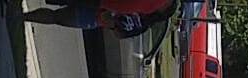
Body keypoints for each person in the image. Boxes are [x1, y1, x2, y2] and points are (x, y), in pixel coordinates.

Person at [19, 1, 167, 35]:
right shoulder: (142, 24)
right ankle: (23, 17)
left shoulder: (141, 18)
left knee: (57, 17)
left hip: (96, 13)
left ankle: (22, 16)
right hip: (94, 18)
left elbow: (119, 32)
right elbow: (119, 33)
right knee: (56, 17)